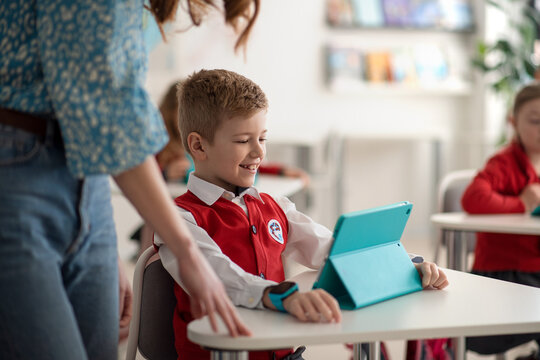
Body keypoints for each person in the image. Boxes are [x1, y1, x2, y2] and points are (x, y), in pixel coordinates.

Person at [0, 1, 260, 359]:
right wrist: (188, 253)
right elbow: (108, 107)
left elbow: (95, 120)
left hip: (85, 182)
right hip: (16, 176)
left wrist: (94, 235)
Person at [154, 69, 450, 360]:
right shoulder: (178, 219)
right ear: (198, 145)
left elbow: (330, 248)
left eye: (263, 138)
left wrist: (405, 264)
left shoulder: (276, 206)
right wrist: (282, 296)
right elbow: (214, 276)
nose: (259, 153)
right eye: (244, 141)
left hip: (284, 354)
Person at [462, 82, 540, 358]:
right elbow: (472, 198)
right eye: (535, 121)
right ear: (513, 121)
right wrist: (521, 204)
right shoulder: (504, 164)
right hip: (505, 275)